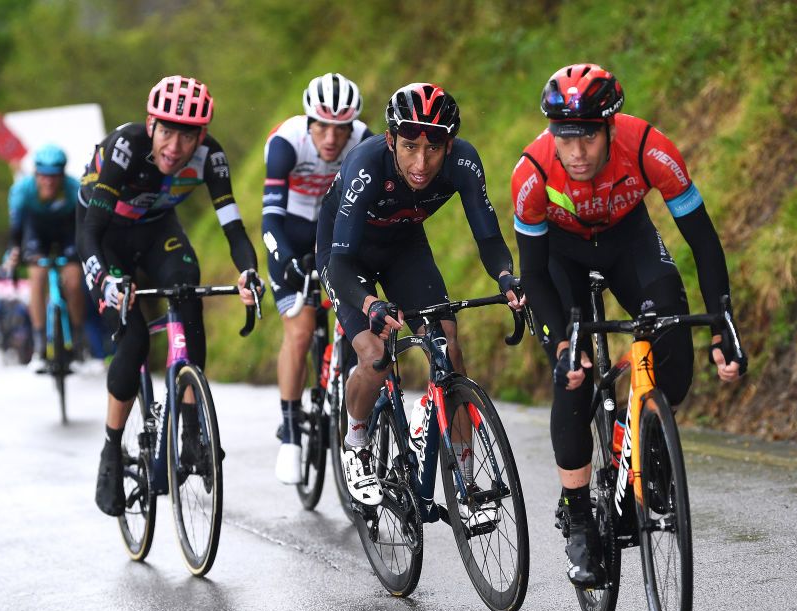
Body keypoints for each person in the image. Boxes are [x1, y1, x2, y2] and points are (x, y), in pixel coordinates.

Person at [511, 63, 746, 587]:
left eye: (588, 135)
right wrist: (564, 343)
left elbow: (703, 241)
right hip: (560, 258)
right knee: (571, 377)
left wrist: (722, 324)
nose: (576, 152)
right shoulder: (531, 172)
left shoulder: (648, 147)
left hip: (627, 241)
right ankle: (576, 514)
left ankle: (642, 433)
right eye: (564, 136)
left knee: (675, 355)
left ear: (610, 127)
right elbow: (531, 274)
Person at [316, 82, 520, 507]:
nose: (421, 163)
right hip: (344, 254)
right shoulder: (367, 164)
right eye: (409, 147)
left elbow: (488, 238)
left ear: (451, 143)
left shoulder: (464, 162)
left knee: (448, 344)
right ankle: (355, 445)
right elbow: (340, 262)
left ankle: (466, 482)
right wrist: (370, 303)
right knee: (375, 354)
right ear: (391, 140)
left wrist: (506, 278)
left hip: (404, 246)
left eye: (433, 149)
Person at [77, 75, 261, 516]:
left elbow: (232, 226)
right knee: (134, 337)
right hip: (105, 236)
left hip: (158, 231)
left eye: (188, 135)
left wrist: (249, 272)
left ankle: (192, 430)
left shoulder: (211, 157)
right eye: (167, 132)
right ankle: (111, 449)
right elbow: (90, 234)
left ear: (202, 135)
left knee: (188, 290)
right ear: (150, 125)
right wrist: (105, 280)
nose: (176, 147)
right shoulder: (124, 148)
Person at [262, 72, 372, 484]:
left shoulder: (364, 140)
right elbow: (270, 216)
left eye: (340, 128)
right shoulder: (286, 142)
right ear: (308, 121)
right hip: (289, 232)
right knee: (301, 329)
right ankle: (290, 431)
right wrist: (286, 260)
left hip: (332, 234)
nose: (330, 138)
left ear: (352, 127)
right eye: (322, 126)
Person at [3, 144, 87, 373]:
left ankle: (77, 339)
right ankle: (40, 345)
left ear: (62, 175)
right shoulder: (22, 191)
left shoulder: (74, 189)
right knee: (37, 276)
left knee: (73, 279)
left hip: (67, 231)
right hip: (35, 233)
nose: (48, 181)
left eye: (54, 176)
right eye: (43, 176)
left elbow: (84, 227)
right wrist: (14, 253)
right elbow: (16, 230)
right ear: (36, 175)